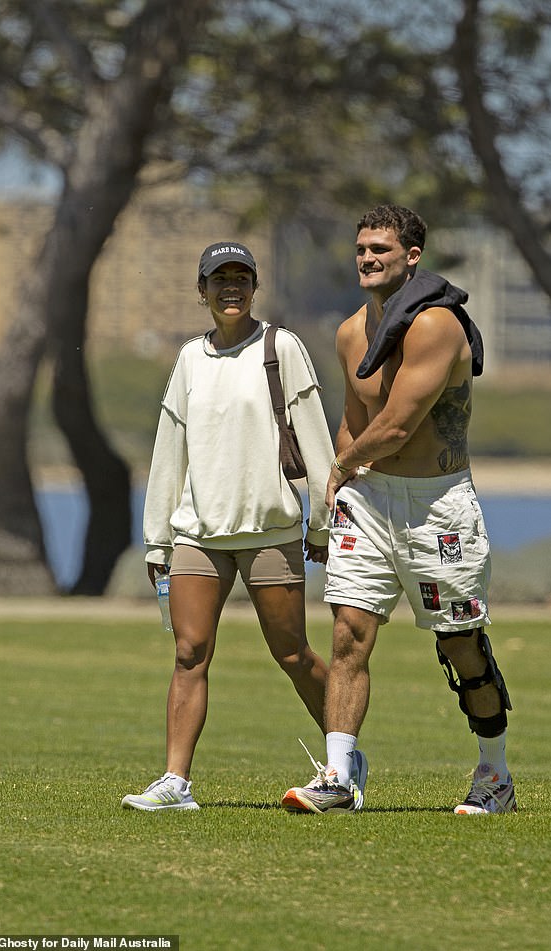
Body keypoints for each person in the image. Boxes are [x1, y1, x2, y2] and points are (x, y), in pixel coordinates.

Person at [281, 204, 515, 816]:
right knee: (348, 634)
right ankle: (338, 776)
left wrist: (337, 468)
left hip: (437, 508)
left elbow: (397, 425)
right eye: (360, 249)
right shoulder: (350, 332)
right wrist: (334, 495)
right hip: (370, 498)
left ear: (412, 256)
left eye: (380, 249)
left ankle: (495, 773)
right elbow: (355, 423)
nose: (367, 258)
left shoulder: (437, 326)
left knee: (460, 643)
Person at [122, 241, 341, 811]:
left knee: (291, 652)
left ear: (254, 288)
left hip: (270, 532)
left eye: (241, 278)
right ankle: (175, 783)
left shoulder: (282, 347)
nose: (231, 289)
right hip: (199, 534)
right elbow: (169, 449)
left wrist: (322, 523)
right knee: (190, 652)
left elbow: (316, 440)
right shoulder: (190, 359)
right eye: (219, 280)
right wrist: (157, 536)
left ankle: (342, 763)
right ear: (202, 292)